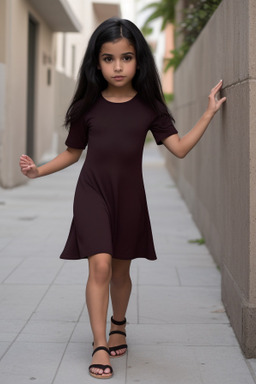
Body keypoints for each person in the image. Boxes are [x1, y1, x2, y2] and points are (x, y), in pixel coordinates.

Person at [19, 18, 226, 380]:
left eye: (126, 57)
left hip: (130, 197)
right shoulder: (88, 106)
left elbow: (178, 149)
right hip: (92, 193)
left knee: (120, 270)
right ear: (96, 63)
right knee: (99, 264)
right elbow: (73, 153)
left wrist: (208, 114)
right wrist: (39, 170)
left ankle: (119, 323)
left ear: (138, 60)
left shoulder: (150, 107)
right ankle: (100, 343)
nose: (117, 66)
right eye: (108, 58)